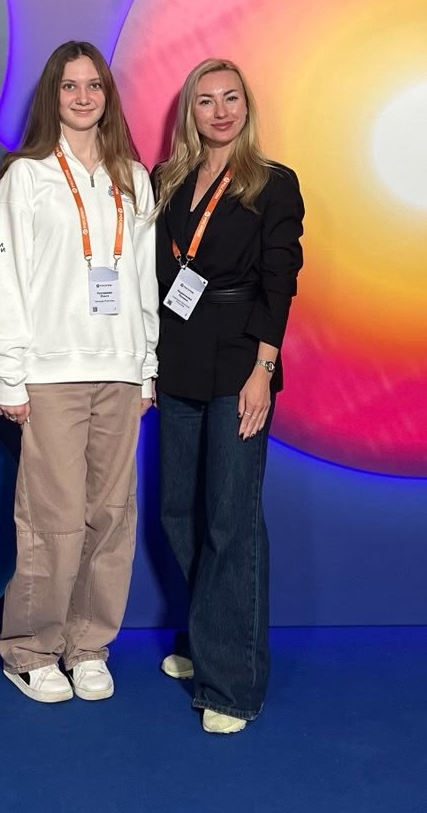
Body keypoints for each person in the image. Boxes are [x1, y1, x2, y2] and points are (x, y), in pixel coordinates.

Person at [0, 41, 159, 704]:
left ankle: (88, 646)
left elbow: (143, 280)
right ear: (52, 97)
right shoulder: (26, 177)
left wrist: (146, 367)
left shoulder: (132, 177)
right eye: (69, 86)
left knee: (111, 517)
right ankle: (31, 650)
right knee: (52, 519)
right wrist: (10, 374)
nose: (83, 97)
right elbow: (6, 280)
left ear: (108, 95)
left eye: (94, 85)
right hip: (51, 373)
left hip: (119, 369)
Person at [153, 57, 304, 734]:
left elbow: (281, 281)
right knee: (179, 512)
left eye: (231, 98)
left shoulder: (273, 182)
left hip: (241, 357)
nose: (220, 111)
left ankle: (233, 685)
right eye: (206, 100)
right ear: (191, 111)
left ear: (247, 106)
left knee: (231, 520)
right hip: (178, 356)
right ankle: (208, 635)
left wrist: (263, 369)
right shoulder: (167, 180)